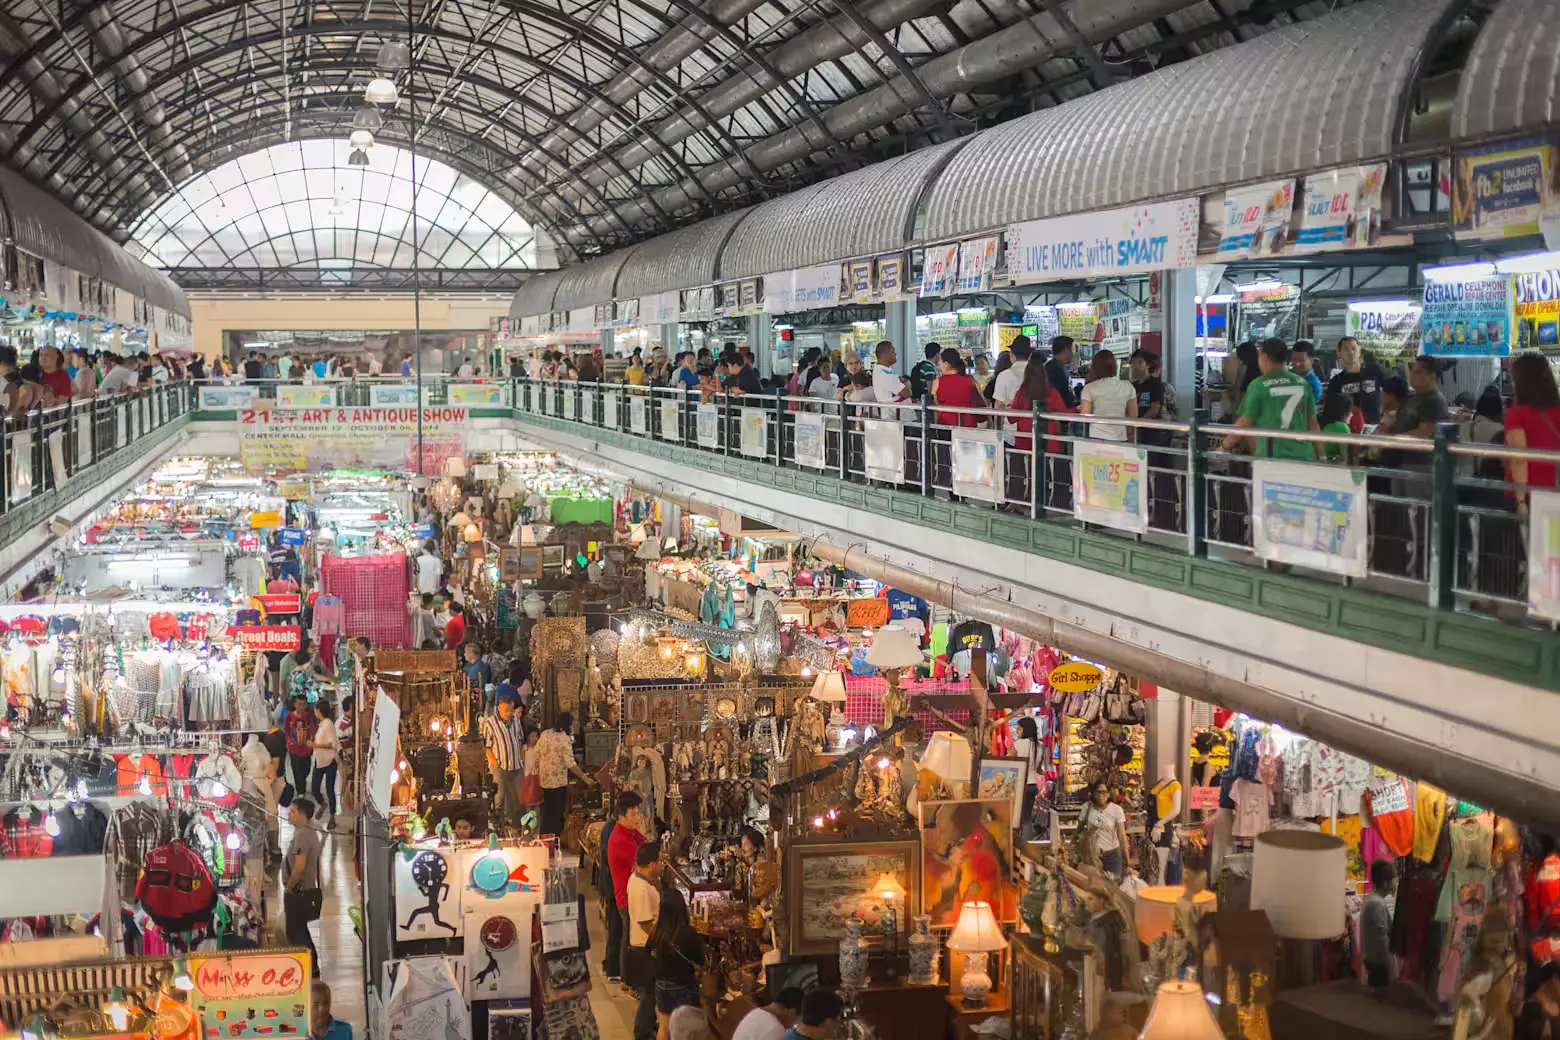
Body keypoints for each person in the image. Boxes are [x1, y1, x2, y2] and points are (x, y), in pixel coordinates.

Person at [1222, 339, 1319, 460]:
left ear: (1264, 356)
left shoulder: (1259, 385)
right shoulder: (1303, 384)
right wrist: (1322, 455)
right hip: (1304, 457)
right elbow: (1313, 425)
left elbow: (1244, 422)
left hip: (1272, 458)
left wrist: (1224, 446)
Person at [1503, 351, 1560, 507]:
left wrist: (1521, 500)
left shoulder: (1516, 414)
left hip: (1530, 495)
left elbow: (1519, 459)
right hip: (1554, 493)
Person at [653, 887, 705, 1040]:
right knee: (684, 1032)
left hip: (661, 985)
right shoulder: (689, 934)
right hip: (683, 987)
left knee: (664, 1028)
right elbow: (700, 962)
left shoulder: (657, 932)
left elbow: (649, 951)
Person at [607, 793, 648, 984]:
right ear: (621, 817)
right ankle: (628, 979)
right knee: (630, 939)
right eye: (633, 814)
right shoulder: (620, 839)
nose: (638, 818)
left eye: (638, 813)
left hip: (633, 895)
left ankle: (628, 978)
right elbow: (644, 861)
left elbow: (646, 845)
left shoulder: (630, 832)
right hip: (628, 897)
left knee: (629, 936)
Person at [1381, 355, 1449, 469]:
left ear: (1432, 376)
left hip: (1420, 465)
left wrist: (1392, 439)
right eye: (1412, 370)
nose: (1412, 375)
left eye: (1418, 372)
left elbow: (1423, 432)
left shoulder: (1435, 401)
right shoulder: (1412, 397)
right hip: (1400, 461)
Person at [627, 841, 664, 1040]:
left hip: (645, 945)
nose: (660, 866)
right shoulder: (640, 888)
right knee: (649, 991)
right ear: (651, 865)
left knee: (652, 990)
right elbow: (644, 922)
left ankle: (649, 1024)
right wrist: (661, 940)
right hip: (645, 946)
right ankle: (642, 1029)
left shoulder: (638, 879)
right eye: (659, 862)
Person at [283, 797, 324, 976]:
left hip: (299, 893)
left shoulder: (303, 836)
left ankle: (310, 969)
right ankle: (311, 968)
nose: (288, 814)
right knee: (300, 931)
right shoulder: (307, 833)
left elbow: (299, 867)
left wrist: (289, 887)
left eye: (292, 811)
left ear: (302, 814)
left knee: (296, 933)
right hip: (304, 891)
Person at [536, 712, 594, 836]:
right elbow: (570, 764)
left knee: (546, 811)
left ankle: (544, 838)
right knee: (557, 813)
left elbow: (537, 753)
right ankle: (555, 840)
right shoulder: (564, 739)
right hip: (558, 782)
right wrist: (584, 777)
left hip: (544, 780)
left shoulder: (545, 734)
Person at [480, 695, 526, 832]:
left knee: (519, 798)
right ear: (499, 708)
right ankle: (496, 828)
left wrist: (521, 758)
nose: (509, 713)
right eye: (506, 710)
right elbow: (487, 747)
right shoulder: (490, 723)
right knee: (499, 796)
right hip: (500, 766)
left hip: (517, 766)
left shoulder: (516, 721)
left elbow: (520, 740)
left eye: (511, 710)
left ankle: (518, 826)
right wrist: (496, 763)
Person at [1327, 336, 1386, 429]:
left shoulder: (1374, 371)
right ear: (1339, 353)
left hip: (1374, 428)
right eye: (1346, 349)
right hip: (1350, 431)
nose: (1351, 352)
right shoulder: (1336, 382)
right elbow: (1332, 411)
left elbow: (1392, 390)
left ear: (1359, 350)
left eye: (1354, 348)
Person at [1079, 351, 1137, 441]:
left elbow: (1085, 415)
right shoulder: (1128, 386)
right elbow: (1133, 415)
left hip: (1096, 435)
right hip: (1120, 436)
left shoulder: (1089, 388)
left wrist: (1080, 408)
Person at [1080, 781, 1129, 878]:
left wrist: (1127, 861)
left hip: (1113, 855)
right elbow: (1080, 831)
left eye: (1104, 792)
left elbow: (1122, 836)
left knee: (1114, 887)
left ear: (1108, 794)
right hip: (1092, 856)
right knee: (1095, 888)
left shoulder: (1116, 810)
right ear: (1093, 793)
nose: (1101, 795)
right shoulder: (1087, 807)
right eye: (1098, 792)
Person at [1362, 859, 1396, 987]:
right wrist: (1391, 968)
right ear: (1386, 883)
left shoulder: (1371, 900)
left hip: (1373, 962)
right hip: (1379, 965)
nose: (1395, 884)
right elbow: (1382, 941)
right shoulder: (1377, 904)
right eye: (1393, 880)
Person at [932, 348, 983, 427]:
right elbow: (981, 401)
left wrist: (935, 427)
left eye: (940, 362)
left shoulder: (937, 382)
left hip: (946, 426)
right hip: (968, 425)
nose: (939, 365)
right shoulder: (970, 379)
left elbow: (936, 408)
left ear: (946, 364)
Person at [282, 694, 317, 804]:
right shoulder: (289, 716)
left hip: (306, 750)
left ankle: (303, 784)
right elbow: (286, 731)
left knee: (306, 769)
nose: (301, 707)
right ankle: (300, 791)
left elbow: (312, 729)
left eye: (303, 704)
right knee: (296, 770)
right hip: (294, 749)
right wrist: (289, 742)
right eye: (299, 704)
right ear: (294, 704)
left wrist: (311, 738)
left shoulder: (309, 717)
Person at [310, 701, 341, 820]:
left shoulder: (328, 724)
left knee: (330, 789)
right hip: (320, 761)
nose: (314, 712)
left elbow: (332, 744)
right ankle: (323, 804)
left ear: (318, 711)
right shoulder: (321, 724)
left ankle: (332, 816)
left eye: (315, 710)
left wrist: (314, 745)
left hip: (329, 761)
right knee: (314, 789)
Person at [733, 989, 804, 1040]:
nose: (792, 1026)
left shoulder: (755, 1013)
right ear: (792, 1013)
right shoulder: (775, 1030)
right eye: (797, 1020)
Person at [1318, 388, 1355, 463]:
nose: (1352, 414)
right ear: (1344, 413)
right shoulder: (1342, 427)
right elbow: (1345, 458)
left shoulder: (1318, 421)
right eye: (1350, 411)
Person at [1044, 336, 1080, 411]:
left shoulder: (1059, 366)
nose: (1074, 352)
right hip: (1059, 415)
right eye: (1073, 348)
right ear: (1066, 349)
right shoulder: (1053, 369)